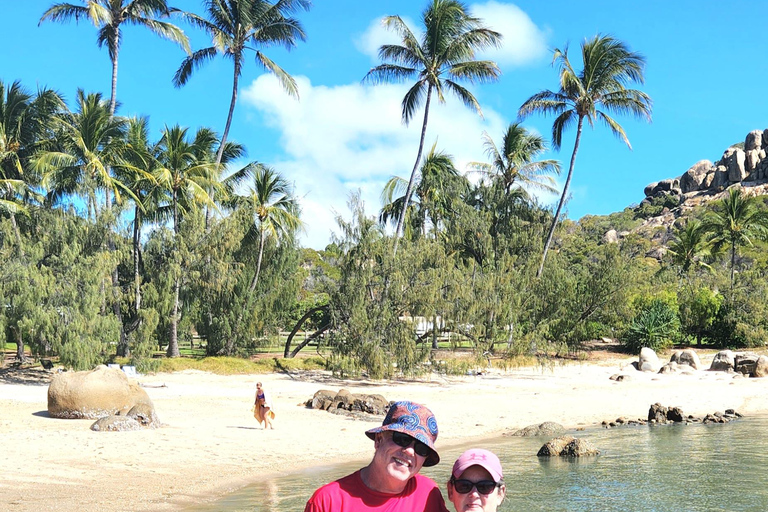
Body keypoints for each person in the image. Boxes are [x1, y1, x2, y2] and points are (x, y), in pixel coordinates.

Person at [304, 400, 449, 512]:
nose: (410, 451)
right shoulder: (327, 501)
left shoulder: (428, 493)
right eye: (402, 439)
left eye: (421, 448)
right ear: (379, 440)